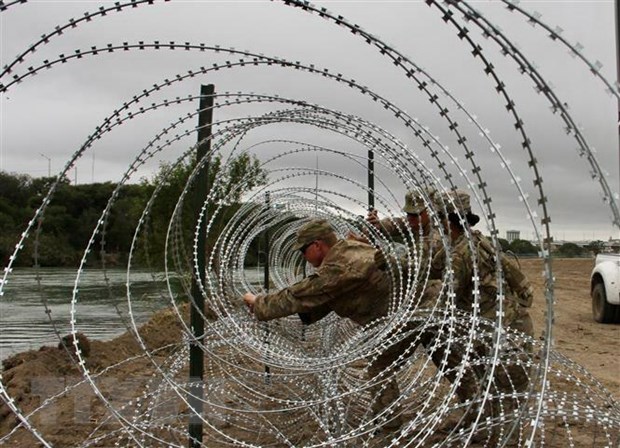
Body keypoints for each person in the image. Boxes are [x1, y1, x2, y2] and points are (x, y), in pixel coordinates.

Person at [243, 218, 406, 431]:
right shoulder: (350, 246)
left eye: (303, 250)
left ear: (318, 245)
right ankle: (463, 409)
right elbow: (328, 298)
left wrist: (259, 303)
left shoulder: (336, 269)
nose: (303, 256)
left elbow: (299, 295)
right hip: (410, 308)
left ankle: (389, 426)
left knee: (380, 368)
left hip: (402, 315)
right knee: (450, 358)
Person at [424, 189, 535, 443]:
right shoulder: (480, 241)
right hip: (510, 329)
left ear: (446, 222)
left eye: (438, 220)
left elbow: (445, 300)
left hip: (502, 338)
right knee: (498, 399)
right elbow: (525, 291)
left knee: (505, 405)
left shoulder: (460, 254)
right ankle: (485, 431)